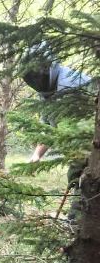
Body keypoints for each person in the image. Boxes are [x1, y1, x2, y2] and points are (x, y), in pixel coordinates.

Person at [21, 51, 92, 220]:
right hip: (81, 144)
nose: (37, 81)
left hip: (89, 143)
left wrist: (77, 158)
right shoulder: (46, 92)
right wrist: (37, 155)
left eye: (39, 76)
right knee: (78, 178)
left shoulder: (69, 85)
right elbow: (48, 128)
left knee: (84, 178)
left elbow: (79, 129)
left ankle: (76, 224)